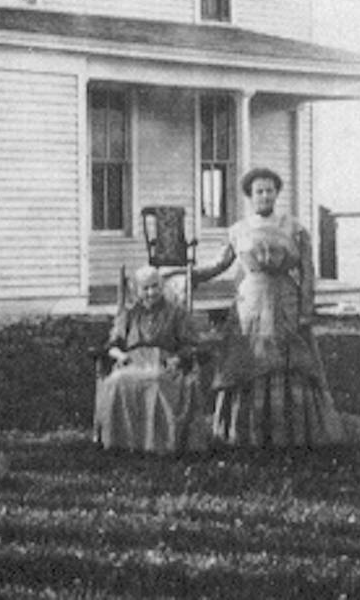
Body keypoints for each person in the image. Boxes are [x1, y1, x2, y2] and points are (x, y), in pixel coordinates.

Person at [189, 166, 344, 450]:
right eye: (258, 191)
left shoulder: (295, 228)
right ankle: (243, 432)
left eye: (269, 191)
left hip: (285, 299)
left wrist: (306, 310)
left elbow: (308, 272)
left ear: (276, 194)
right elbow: (219, 264)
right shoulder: (238, 230)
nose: (264, 196)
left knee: (289, 358)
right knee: (247, 357)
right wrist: (192, 274)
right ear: (250, 195)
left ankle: (292, 433)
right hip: (249, 303)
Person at [93, 266, 211, 454]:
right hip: (131, 361)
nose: (151, 292)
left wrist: (178, 359)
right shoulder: (129, 314)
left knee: (155, 381)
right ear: (137, 291)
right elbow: (113, 344)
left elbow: (190, 344)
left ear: (162, 286)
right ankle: (121, 442)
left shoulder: (176, 312)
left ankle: (156, 443)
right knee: (117, 382)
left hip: (164, 361)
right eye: (145, 288)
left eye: (155, 286)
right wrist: (120, 355)